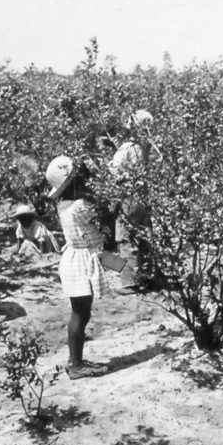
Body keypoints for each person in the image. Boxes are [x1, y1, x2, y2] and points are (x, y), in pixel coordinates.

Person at [46, 155, 109, 379]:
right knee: (80, 314)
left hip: (76, 258)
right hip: (82, 261)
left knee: (81, 312)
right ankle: (76, 364)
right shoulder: (81, 206)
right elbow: (106, 209)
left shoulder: (64, 205)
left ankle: (76, 360)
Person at [109, 110, 157, 292]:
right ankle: (148, 276)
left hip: (129, 196)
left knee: (126, 239)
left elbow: (114, 169)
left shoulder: (128, 147)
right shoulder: (148, 146)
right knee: (145, 235)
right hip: (144, 196)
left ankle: (130, 282)